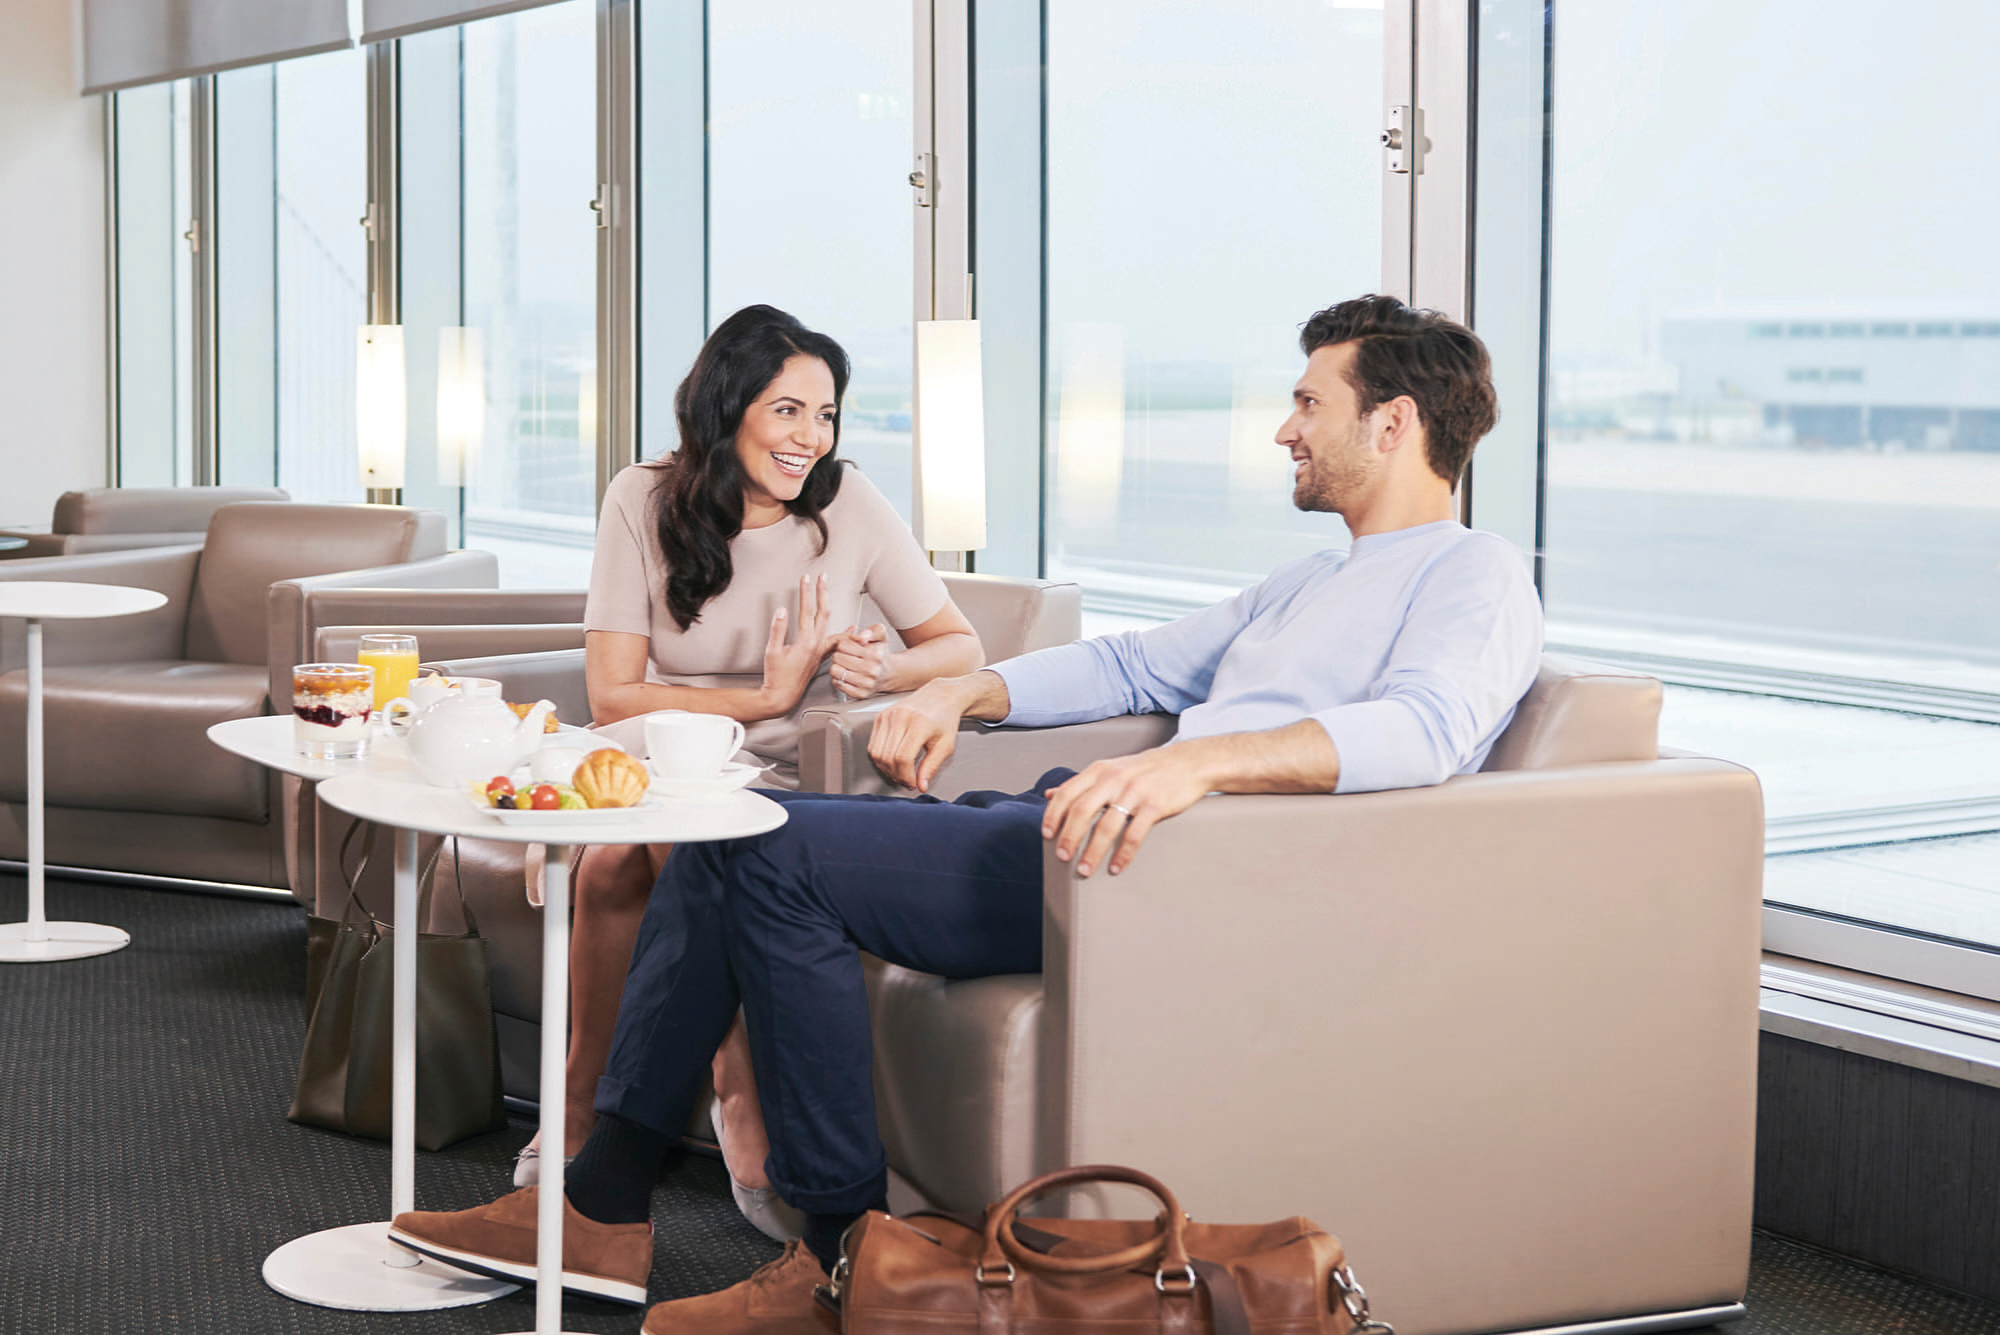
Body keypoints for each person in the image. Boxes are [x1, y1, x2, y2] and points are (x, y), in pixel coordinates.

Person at [387, 294, 1546, 1334]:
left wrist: (1202, 769)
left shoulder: (1473, 573)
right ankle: (614, 1211)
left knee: (759, 848)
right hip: (1078, 828)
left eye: (1308, 402)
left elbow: (1428, 730)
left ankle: (829, 1256)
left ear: (1391, 424)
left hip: (1168, 864)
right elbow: (1138, 667)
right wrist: (963, 688)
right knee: (729, 844)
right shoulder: (1311, 577)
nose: (1285, 429)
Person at [511, 304, 986, 1240]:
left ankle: (594, 1120)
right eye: (789, 411)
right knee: (642, 842)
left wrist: (880, 669)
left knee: (629, 858)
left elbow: (959, 643)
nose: (813, 437)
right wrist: (760, 699)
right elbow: (612, 695)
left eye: (828, 414)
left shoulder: (848, 503)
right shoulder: (639, 497)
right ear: (728, 408)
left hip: (796, 770)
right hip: (662, 747)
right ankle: (722, 1097)